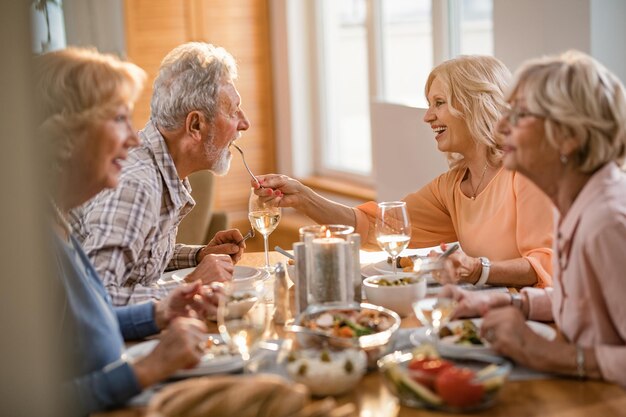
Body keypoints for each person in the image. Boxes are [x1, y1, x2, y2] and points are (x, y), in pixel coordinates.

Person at [255, 56, 553, 288]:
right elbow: (376, 227)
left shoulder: (526, 173)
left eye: (439, 103)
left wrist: (477, 269)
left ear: (475, 104)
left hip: (535, 322)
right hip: (484, 314)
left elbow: (546, 264)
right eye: (429, 104)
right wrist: (304, 199)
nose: (427, 116)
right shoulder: (450, 187)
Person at [37, 47, 219, 414]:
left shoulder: (55, 219)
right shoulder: (25, 248)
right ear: (67, 135)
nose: (134, 139)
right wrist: (147, 369)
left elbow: (83, 328)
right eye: (119, 119)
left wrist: (159, 312)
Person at [442, 50, 626, 388]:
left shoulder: (608, 223)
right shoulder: (574, 202)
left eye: (520, 115)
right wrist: (515, 301)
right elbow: (585, 303)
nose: (500, 125)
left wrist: (549, 354)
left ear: (568, 136)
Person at [69, 42, 252, 306]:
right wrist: (190, 288)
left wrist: (198, 256)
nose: (244, 123)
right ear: (196, 125)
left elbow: (138, 257)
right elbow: (92, 301)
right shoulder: (136, 185)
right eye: (233, 110)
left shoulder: (163, 169)